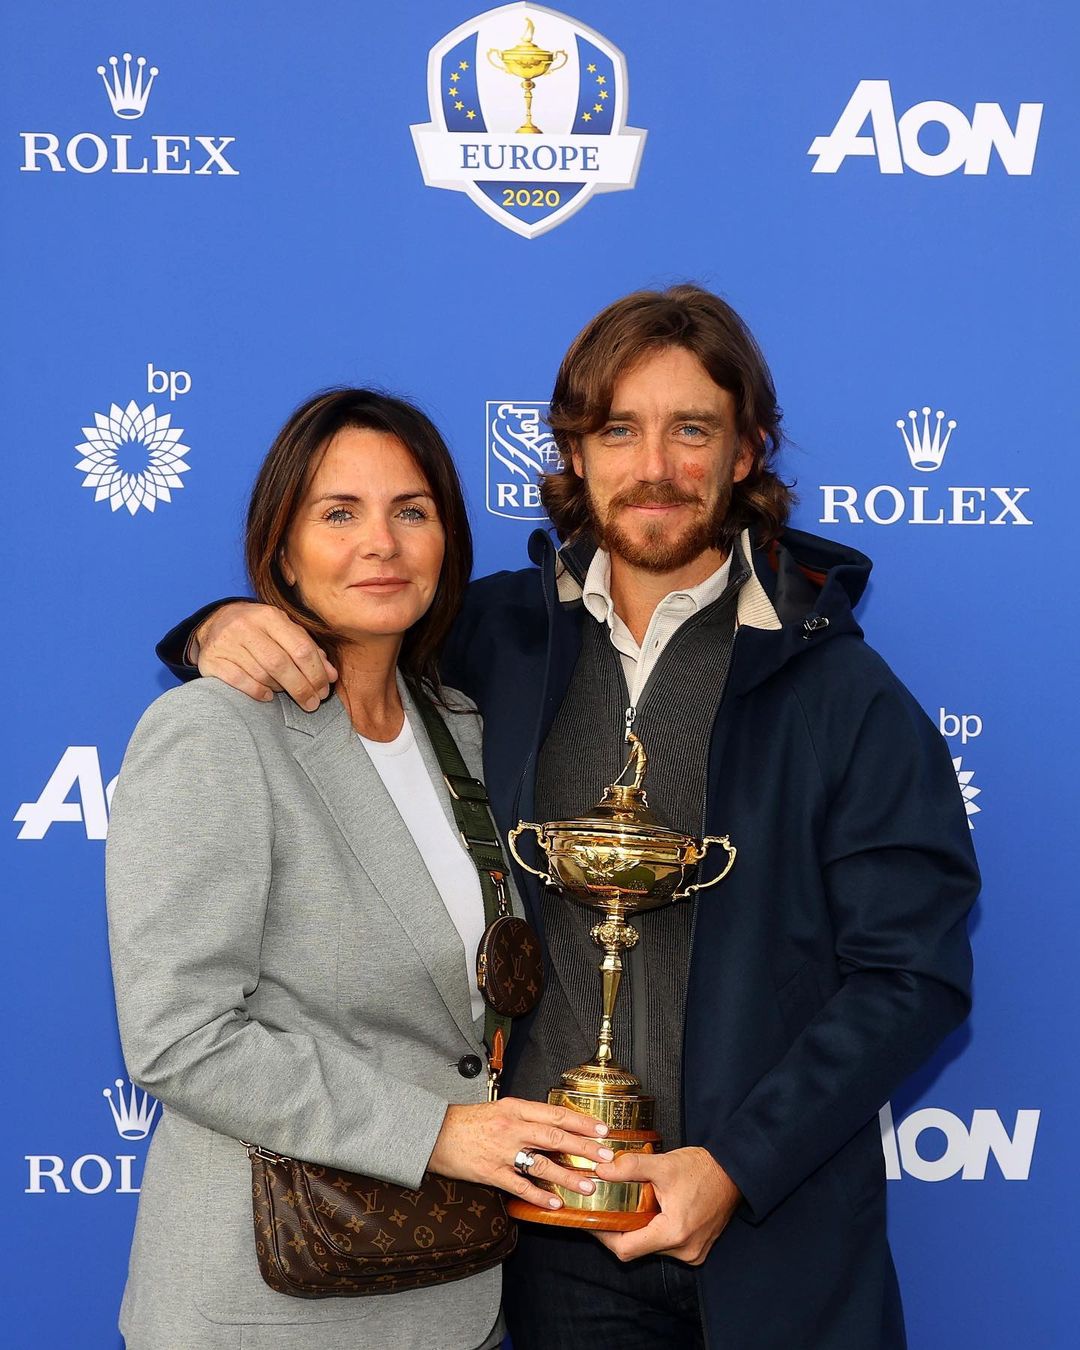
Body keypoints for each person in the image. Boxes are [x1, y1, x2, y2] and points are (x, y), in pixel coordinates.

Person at [158, 289, 979, 1350]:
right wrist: (218, 626)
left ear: (746, 453)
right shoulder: (490, 637)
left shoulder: (842, 689)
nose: (657, 465)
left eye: (693, 429)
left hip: (777, 1241)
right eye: (619, 430)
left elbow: (913, 975)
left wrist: (736, 1167)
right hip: (544, 1254)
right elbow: (341, 624)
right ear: (575, 454)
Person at [106, 388, 613, 1350]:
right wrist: (438, 1131)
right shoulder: (213, 732)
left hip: (444, 1297)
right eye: (338, 513)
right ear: (281, 550)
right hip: (260, 1302)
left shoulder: (460, 729)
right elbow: (180, 1037)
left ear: (446, 543)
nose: (380, 543)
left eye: (410, 511)